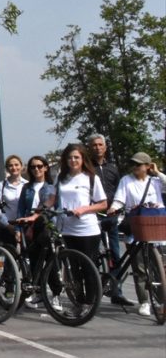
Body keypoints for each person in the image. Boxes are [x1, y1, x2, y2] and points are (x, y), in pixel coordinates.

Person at [29, 143, 107, 310]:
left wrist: (84, 209)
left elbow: (102, 204)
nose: (73, 160)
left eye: (76, 157)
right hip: (67, 229)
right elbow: (52, 199)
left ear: (83, 159)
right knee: (73, 268)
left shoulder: (91, 178)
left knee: (88, 267)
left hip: (87, 229)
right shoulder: (61, 178)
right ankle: (78, 302)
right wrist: (38, 212)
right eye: (70, 157)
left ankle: (89, 303)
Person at [108, 152, 164, 317]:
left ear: (147, 166)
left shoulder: (156, 181)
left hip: (155, 227)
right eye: (133, 164)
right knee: (140, 268)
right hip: (136, 226)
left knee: (159, 268)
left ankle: (160, 300)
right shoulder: (126, 180)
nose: (135, 167)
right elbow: (119, 198)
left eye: (138, 165)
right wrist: (114, 208)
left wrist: (158, 172)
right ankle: (144, 301)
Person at [87, 132, 128, 304]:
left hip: (112, 216)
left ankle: (116, 291)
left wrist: (118, 209)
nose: (97, 148)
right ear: (90, 148)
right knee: (94, 255)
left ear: (105, 147)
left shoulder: (113, 168)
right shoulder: (87, 169)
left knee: (115, 255)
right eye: (94, 145)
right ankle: (94, 290)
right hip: (94, 217)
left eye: (100, 145)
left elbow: (119, 190)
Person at [16, 155, 56, 308]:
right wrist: (18, 229)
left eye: (39, 166)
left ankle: (56, 294)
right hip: (30, 227)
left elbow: (55, 207)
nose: (36, 169)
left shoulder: (51, 186)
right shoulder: (27, 187)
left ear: (46, 168)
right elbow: (21, 209)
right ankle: (38, 293)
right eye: (33, 167)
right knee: (34, 261)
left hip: (46, 226)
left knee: (51, 261)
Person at [0, 155, 26, 248]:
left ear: (21, 166)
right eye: (10, 165)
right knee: (7, 254)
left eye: (16, 165)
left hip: (24, 225)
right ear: (7, 168)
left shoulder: (27, 184)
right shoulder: (2, 185)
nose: (14, 167)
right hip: (7, 226)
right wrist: (7, 225)